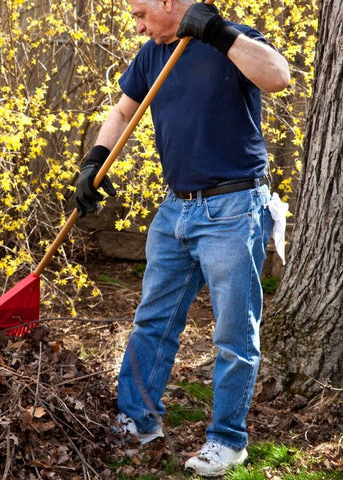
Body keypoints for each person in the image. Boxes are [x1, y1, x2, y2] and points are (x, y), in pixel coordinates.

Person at [75, 0, 290, 477]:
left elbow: (278, 77)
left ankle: (228, 441)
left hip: (234, 210)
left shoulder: (231, 38)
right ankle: (137, 420)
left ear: (169, 3)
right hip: (175, 209)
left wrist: (219, 33)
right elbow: (123, 108)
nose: (136, 24)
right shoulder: (152, 54)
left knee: (234, 334)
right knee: (152, 321)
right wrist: (95, 159)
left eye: (140, 12)